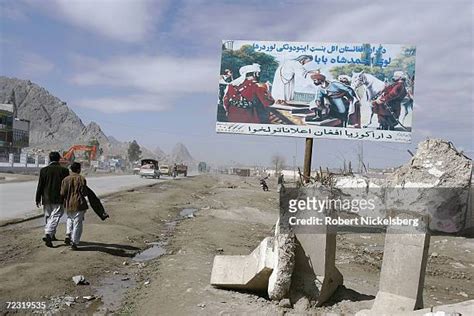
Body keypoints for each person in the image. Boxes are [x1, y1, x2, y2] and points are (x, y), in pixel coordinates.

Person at [35, 151, 69, 247]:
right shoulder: (64, 171)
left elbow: (40, 185)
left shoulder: (44, 170)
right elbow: (66, 186)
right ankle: (49, 233)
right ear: (59, 159)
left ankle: (51, 235)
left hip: (46, 198)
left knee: (48, 216)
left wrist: (37, 198)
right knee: (55, 216)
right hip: (59, 198)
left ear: (50, 159)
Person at [61, 162, 88, 250]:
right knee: (77, 223)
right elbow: (84, 193)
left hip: (68, 204)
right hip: (79, 204)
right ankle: (74, 242)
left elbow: (62, 193)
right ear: (78, 169)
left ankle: (68, 233)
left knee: (69, 218)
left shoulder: (65, 179)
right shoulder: (81, 179)